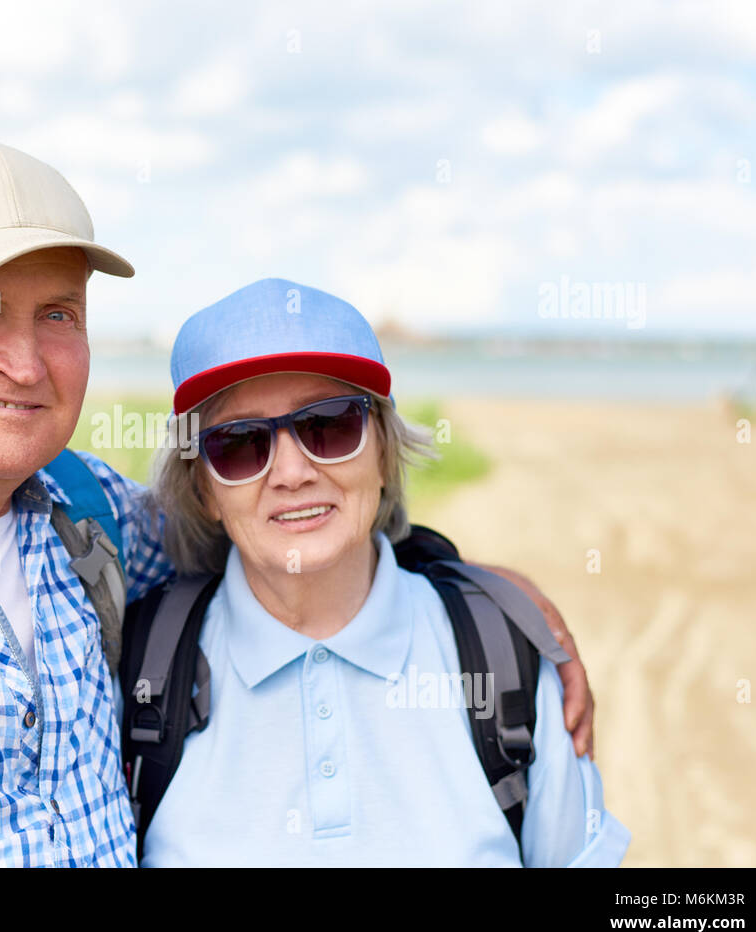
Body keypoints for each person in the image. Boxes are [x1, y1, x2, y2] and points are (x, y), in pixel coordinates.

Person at [0, 140, 594, 866]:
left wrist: (475, 587)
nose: (26, 361)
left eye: (60, 315)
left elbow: (287, 533)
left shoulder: (97, 527)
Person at [129, 278, 630, 866]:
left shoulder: (503, 655)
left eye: (329, 424)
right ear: (204, 490)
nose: (292, 472)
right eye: (238, 442)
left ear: (386, 453)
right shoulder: (138, 669)